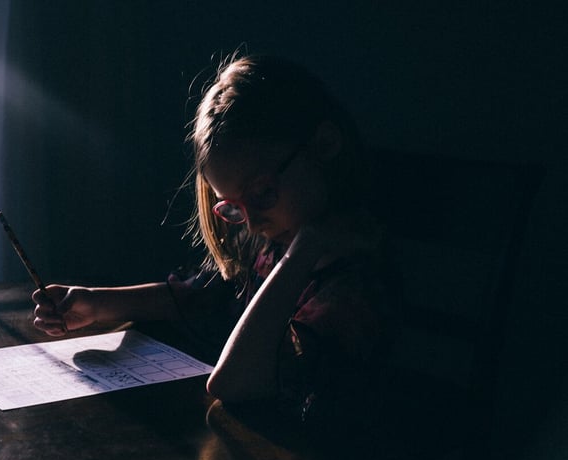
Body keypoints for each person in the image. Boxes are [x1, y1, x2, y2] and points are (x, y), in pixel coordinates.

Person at [32, 54, 401, 439]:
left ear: (324, 145)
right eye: (234, 206)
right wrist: (95, 302)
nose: (253, 221)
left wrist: (302, 254)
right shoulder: (272, 236)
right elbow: (200, 297)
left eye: (261, 193)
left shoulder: (355, 286)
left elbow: (234, 384)